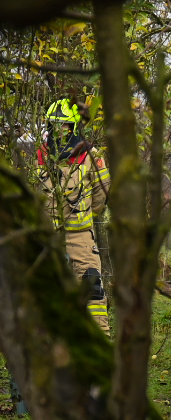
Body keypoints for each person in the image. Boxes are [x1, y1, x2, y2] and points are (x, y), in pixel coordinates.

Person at [56, 136, 110, 333]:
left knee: (93, 290)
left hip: (81, 236)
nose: (62, 131)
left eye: (66, 125)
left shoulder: (92, 156)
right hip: (47, 237)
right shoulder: (39, 154)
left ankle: (99, 349)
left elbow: (100, 196)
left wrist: (83, 217)